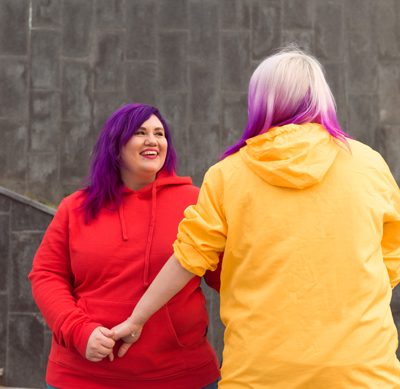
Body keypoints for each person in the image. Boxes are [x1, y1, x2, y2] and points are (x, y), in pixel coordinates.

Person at [111, 47, 400, 388]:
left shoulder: (227, 175)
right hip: (363, 371)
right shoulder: (369, 165)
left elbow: (188, 258)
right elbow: (390, 257)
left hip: (259, 372)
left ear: (260, 101)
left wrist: (137, 319)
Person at [29, 104, 221, 389]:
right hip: (82, 376)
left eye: (159, 133)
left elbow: (227, 276)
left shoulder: (195, 202)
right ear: (115, 145)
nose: (153, 140)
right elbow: (46, 276)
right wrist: (79, 332)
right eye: (140, 132)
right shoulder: (76, 207)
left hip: (182, 375)